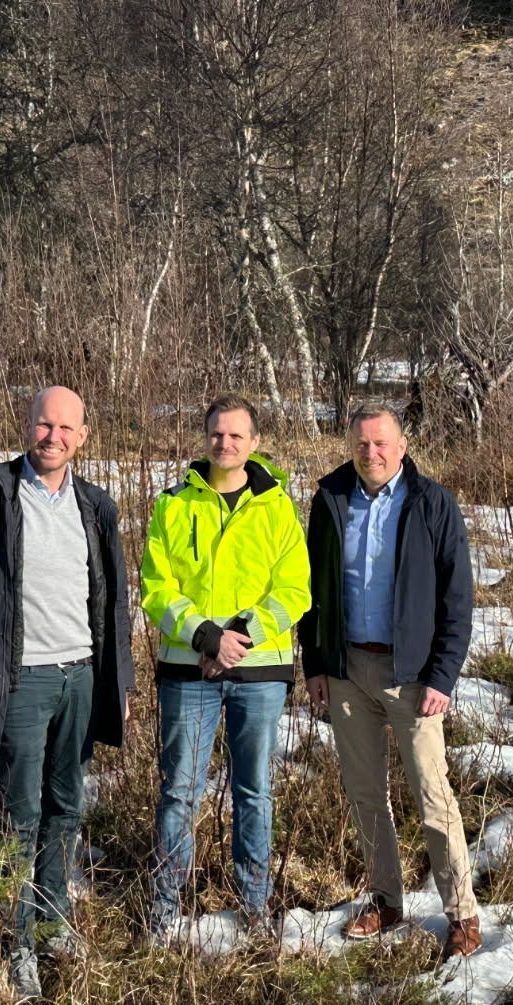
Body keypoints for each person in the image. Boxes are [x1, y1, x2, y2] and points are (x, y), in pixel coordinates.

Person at [0, 386, 135, 999]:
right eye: (45, 425)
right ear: (28, 425)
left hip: (81, 676)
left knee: (66, 802)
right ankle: (15, 938)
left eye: (66, 428)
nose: (53, 437)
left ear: (83, 436)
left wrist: (118, 681)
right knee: (19, 811)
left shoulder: (96, 506)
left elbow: (115, 603)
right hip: (18, 681)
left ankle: (51, 918)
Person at [300, 402, 481, 960]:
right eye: (361, 444)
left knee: (432, 793)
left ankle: (462, 913)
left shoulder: (431, 503)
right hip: (349, 670)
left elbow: (458, 598)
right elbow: (313, 591)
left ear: (402, 446)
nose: (371, 453)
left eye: (381, 443)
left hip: (413, 676)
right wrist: (317, 665)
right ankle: (386, 898)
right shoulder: (330, 499)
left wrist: (443, 675)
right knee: (364, 792)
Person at [140, 395, 310, 938]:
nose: (226, 443)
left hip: (258, 675)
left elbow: (294, 590)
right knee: (180, 791)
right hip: (188, 673)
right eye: (217, 434)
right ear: (205, 437)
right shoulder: (173, 504)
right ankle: (166, 908)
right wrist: (206, 637)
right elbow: (155, 588)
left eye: (237, 436)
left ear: (254, 442)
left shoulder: (278, 507)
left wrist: (240, 637)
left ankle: (254, 907)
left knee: (254, 789)